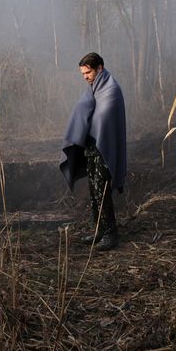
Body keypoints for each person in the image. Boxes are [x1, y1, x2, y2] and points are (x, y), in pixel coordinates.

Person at [60, 52, 127, 251]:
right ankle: (100, 230)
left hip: (103, 150)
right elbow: (84, 111)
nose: (85, 77)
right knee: (94, 192)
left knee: (102, 192)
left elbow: (102, 119)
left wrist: (87, 124)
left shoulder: (111, 89)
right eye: (83, 74)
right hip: (91, 149)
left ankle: (110, 234)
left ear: (100, 68)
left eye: (88, 72)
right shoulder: (94, 88)